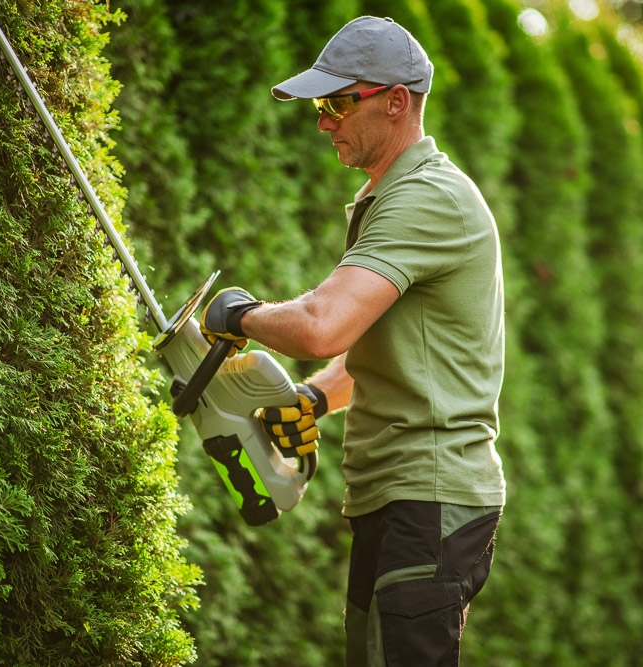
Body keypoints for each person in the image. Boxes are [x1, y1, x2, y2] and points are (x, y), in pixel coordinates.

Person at [199, 16, 506, 666]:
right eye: (320, 104)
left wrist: (240, 314)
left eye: (338, 102)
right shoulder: (396, 196)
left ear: (396, 101)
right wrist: (311, 399)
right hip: (400, 497)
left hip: (430, 496)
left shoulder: (426, 198)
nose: (323, 121)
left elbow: (321, 324)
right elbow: (389, 349)